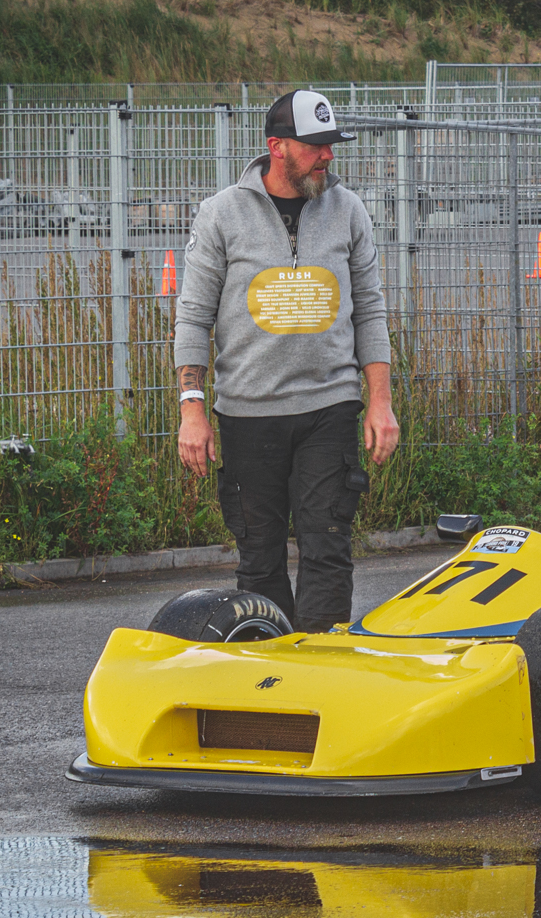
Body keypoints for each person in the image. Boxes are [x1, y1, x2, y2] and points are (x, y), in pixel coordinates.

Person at [174, 90, 400, 633]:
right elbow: (193, 318)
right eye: (315, 145)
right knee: (260, 560)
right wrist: (192, 410)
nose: (328, 155)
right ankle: (270, 666)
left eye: (331, 144)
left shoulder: (348, 210)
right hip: (248, 414)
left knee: (328, 549)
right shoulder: (221, 213)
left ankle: (321, 664)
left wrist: (381, 402)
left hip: (329, 409)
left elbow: (370, 310)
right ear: (277, 147)